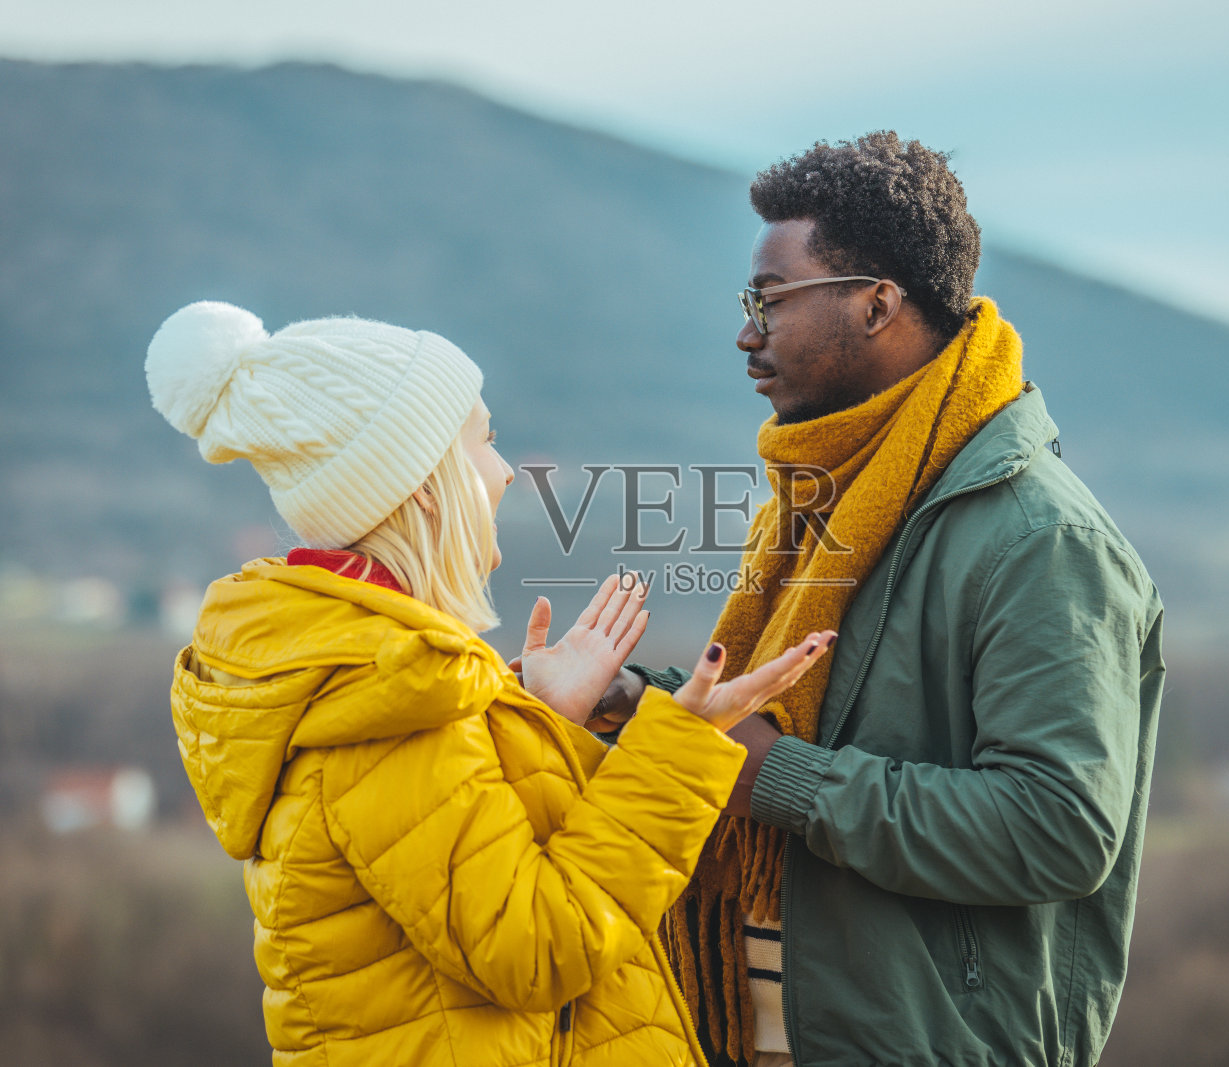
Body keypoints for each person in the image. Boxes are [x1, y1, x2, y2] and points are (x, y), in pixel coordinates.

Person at [598, 132, 1166, 1066]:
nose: (747, 332)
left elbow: (1059, 829)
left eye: (769, 300)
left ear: (876, 304)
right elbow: (810, 710)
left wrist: (774, 776)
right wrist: (638, 699)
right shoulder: (831, 497)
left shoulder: (1039, 538)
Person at [144, 301, 835, 1066]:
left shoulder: (365, 678)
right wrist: (679, 750)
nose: (506, 471)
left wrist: (538, 723)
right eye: (484, 441)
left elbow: (464, 876)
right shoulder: (384, 704)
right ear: (426, 486)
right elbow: (538, 945)